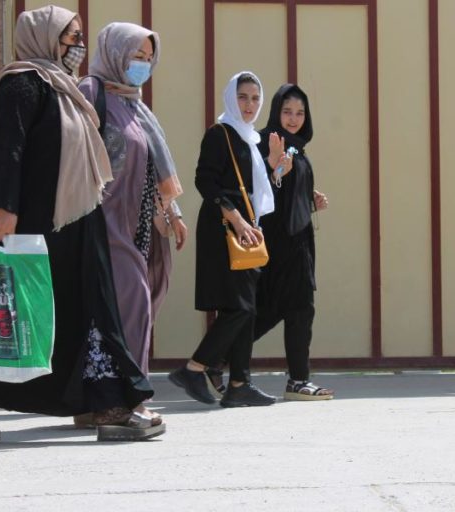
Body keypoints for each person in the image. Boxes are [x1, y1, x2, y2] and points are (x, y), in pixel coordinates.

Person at [0, 5, 162, 443]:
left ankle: (109, 405)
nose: (78, 45)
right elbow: (10, 146)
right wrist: (3, 207)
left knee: (89, 314)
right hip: (31, 224)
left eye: (79, 36)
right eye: (70, 36)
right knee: (5, 315)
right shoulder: (22, 82)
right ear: (44, 37)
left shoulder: (65, 88)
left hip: (76, 224)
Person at [78, 22, 186, 421]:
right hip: (101, 222)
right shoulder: (90, 93)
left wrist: (171, 212)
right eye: (135, 56)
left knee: (127, 307)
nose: (143, 65)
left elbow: (153, 166)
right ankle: (121, 399)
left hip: (136, 225)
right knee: (129, 304)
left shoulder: (135, 106)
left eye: (148, 58)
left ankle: (104, 402)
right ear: (114, 54)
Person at [206, 84, 333, 401]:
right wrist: (277, 170)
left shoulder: (297, 147)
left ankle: (215, 361)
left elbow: (285, 190)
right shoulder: (266, 142)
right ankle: (296, 380)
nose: (293, 119)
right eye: (287, 112)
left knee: (275, 309)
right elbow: (259, 189)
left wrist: (308, 199)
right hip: (278, 240)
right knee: (289, 308)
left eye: (300, 113)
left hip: (297, 238)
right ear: (276, 112)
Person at [168, 71, 280, 408]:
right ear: (231, 98)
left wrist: (274, 167)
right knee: (240, 306)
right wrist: (236, 218)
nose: (249, 104)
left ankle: (240, 384)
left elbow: (252, 186)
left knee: (247, 307)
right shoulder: (220, 133)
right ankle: (194, 368)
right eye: (243, 97)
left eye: (255, 98)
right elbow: (205, 181)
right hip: (224, 226)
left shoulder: (250, 139)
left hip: (246, 227)